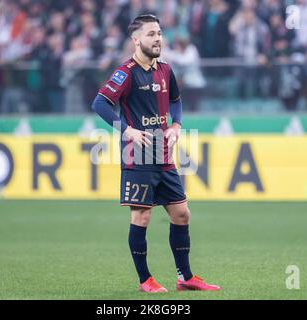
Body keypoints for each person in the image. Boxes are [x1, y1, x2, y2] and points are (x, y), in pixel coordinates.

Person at [91, 14, 221, 293]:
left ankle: (185, 277)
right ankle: (144, 280)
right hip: (137, 156)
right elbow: (100, 103)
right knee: (142, 217)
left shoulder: (165, 70)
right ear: (136, 40)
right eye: (151, 34)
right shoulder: (125, 73)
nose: (158, 38)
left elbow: (176, 101)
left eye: (160, 33)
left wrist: (176, 125)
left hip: (163, 154)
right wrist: (126, 130)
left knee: (182, 214)